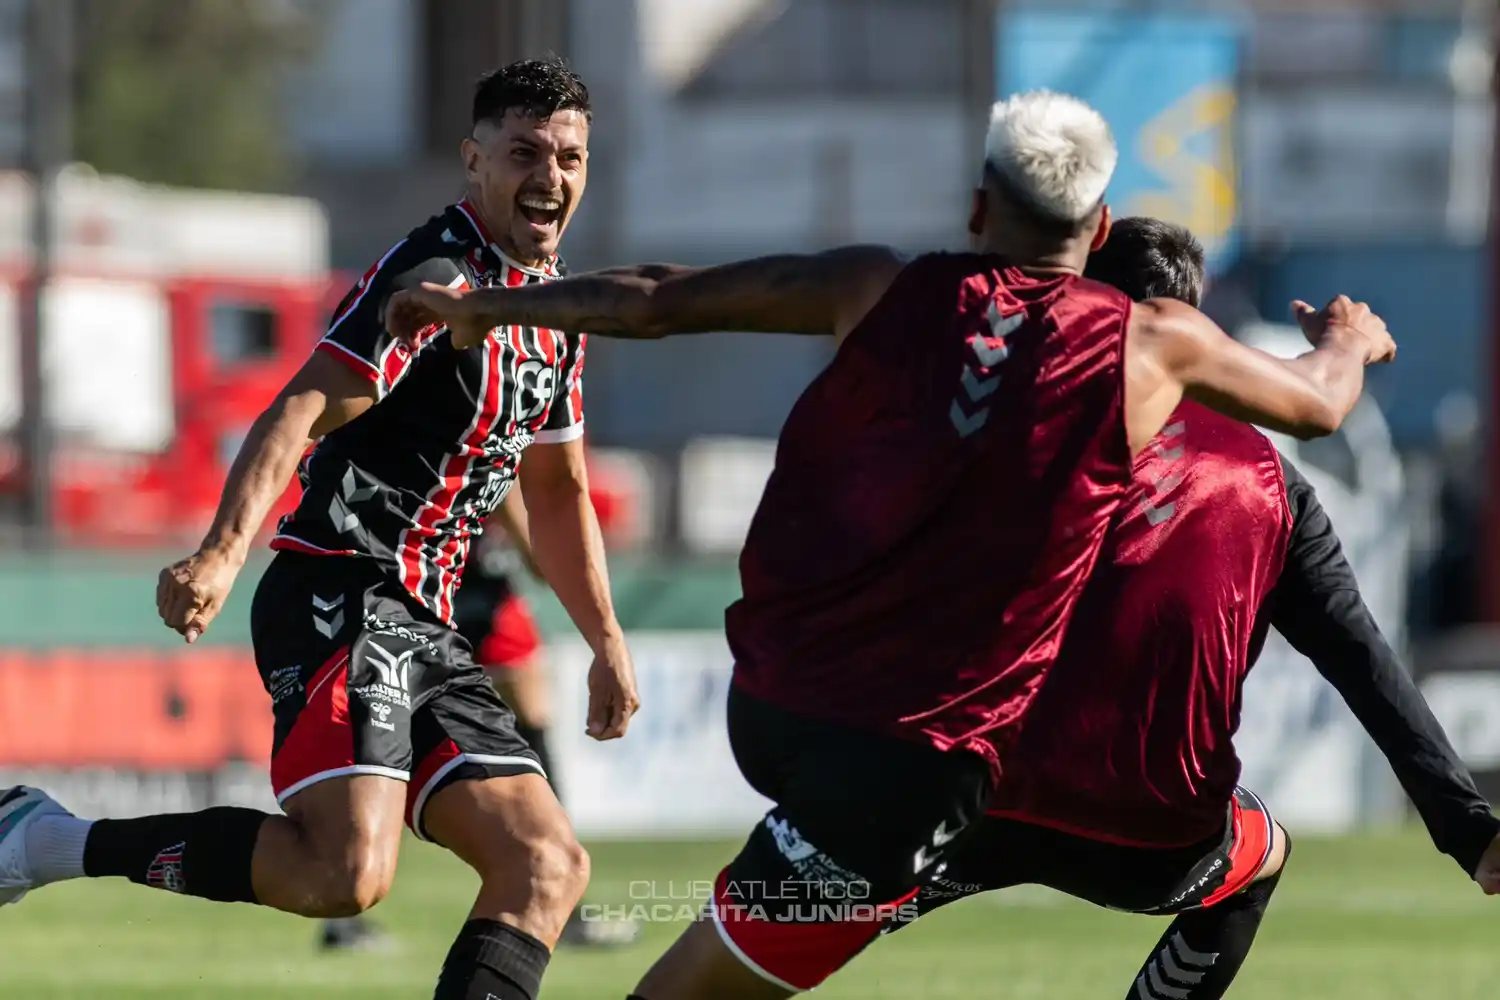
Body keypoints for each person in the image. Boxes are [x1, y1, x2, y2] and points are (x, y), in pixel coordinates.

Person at [387, 90, 1396, 999]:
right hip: (909, 770)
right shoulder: (1150, 341)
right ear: (1095, 230)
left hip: (777, 711)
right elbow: (1313, 405)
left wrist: (488, 307)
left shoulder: (877, 286)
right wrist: (1349, 337)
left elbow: (654, 297)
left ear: (974, 210)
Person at [0, 57, 640, 1000]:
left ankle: (40, 836)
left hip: (432, 623)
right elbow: (302, 405)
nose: (551, 175)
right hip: (343, 591)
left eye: (571, 157)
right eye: (525, 152)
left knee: (546, 867)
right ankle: (45, 840)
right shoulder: (433, 278)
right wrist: (222, 552)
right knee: (346, 877)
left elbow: (559, 487)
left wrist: (606, 639)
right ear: (474, 162)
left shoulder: (554, 311)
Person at [873, 217, 1500, 1000]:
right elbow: (1362, 661)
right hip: (1156, 835)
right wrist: (1470, 829)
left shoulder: (1005, 426)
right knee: (1257, 855)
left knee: (783, 907)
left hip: (969, 808)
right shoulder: (1271, 485)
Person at [323, 488, 641, 951]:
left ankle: (559, 893)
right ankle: (348, 905)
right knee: (401, 736)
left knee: (515, 709)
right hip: (429, 582)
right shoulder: (492, 432)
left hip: (466, 579)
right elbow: (537, 549)